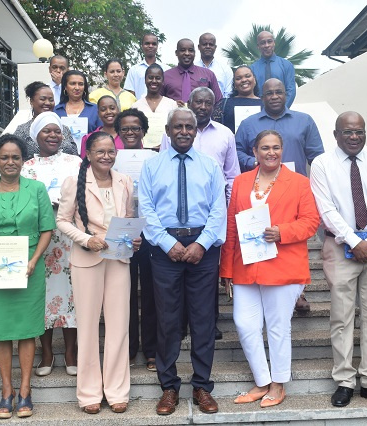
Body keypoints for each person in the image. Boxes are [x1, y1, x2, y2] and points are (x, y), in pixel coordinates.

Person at [220, 130, 319, 408]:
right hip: (245, 266)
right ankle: (262, 380)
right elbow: (230, 226)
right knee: (245, 323)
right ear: (255, 151)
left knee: (277, 326)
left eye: (276, 147)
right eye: (265, 148)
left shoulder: (299, 183)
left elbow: (311, 221)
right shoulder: (240, 182)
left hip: (282, 265)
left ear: (282, 150)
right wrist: (226, 268)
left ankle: (278, 383)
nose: (271, 152)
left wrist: (282, 232)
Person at [138, 108, 226, 416]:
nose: (185, 131)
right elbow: (146, 209)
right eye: (179, 126)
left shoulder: (211, 166)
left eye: (190, 126)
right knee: (167, 319)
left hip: (203, 248)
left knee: (203, 320)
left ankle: (202, 385)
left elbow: (219, 209)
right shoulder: (151, 167)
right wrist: (167, 243)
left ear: (195, 131)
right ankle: (169, 387)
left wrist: (201, 244)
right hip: (165, 250)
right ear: (168, 129)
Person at [309, 111, 367, 408]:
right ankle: (345, 381)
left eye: (359, 131)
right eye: (348, 132)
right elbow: (327, 209)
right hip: (340, 247)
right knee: (342, 317)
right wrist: (354, 241)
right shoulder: (322, 164)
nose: (354, 137)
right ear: (336, 135)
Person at [0, 134, 55, 419]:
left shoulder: (37, 189)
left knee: (27, 329)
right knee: (1, 331)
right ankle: (7, 392)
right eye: (4, 157)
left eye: (15, 157)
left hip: (29, 268)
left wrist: (33, 260)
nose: (10, 162)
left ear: (24, 160)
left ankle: (26, 390)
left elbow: (47, 229)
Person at [56, 131, 142, 414]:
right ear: (89, 154)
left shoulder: (125, 181)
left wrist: (134, 238)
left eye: (111, 151)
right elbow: (63, 221)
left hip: (118, 259)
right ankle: (89, 392)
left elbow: (128, 218)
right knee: (88, 328)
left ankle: (117, 391)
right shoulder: (74, 182)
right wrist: (85, 239)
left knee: (119, 327)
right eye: (100, 152)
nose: (107, 156)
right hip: (86, 260)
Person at [236, 78, 323, 312]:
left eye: (279, 92)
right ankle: (263, 289)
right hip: (262, 187)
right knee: (263, 237)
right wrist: (254, 161)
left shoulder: (304, 121)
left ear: (286, 94)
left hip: (293, 190)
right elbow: (237, 151)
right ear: (261, 97)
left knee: (291, 239)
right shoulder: (248, 123)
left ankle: (297, 292)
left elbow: (317, 156)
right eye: (269, 93)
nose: (274, 96)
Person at [160, 87, 240, 341]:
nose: (203, 106)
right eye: (198, 101)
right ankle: (181, 324)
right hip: (175, 220)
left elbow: (231, 175)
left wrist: (226, 213)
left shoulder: (225, 134)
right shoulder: (175, 132)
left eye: (208, 102)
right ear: (190, 102)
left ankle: (208, 323)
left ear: (213, 105)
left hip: (210, 217)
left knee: (207, 280)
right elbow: (165, 169)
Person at [21, 112, 81, 378]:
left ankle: (70, 352)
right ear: (36, 136)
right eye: (47, 131)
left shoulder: (76, 162)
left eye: (57, 131)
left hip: (71, 239)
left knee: (72, 296)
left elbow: (86, 194)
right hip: (40, 242)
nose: (53, 135)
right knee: (41, 297)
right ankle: (46, 353)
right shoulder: (26, 167)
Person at [112, 109, 159, 371]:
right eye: (125, 129)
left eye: (136, 128)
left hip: (151, 232)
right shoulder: (111, 158)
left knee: (152, 292)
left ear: (143, 131)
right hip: (122, 230)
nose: (131, 132)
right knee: (124, 293)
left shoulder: (154, 158)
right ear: (118, 132)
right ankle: (129, 349)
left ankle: (152, 350)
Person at [14, 81, 78, 159]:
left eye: (51, 100)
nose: (47, 103)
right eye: (42, 99)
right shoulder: (22, 131)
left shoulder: (64, 129)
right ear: (31, 101)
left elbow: (74, 154)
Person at [161, 39, 223, 106]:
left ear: (194, 53)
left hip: (202, 116)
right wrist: (172, 104)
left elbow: (219, 102)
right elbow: (158, 101)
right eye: (182, 50)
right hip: (174, 115)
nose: (187, 53)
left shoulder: (208, 74)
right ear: (176, 53)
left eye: (190, 50)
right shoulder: (165, 76)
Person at [131, 64, 178, 149]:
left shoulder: (172, 104)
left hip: (166, 151)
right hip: (142, 151)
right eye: (150, 77)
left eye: (158, 78)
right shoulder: (135, 106)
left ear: (163, 81)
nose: (154, 81)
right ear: (145, 80)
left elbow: (175, 129)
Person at [250, 31, 297, 108]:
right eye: (262, 43)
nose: (266, 45)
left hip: (282, 112)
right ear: (258, 46)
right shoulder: (252, 69)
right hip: (259, 113)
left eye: (269, 41)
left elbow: (291, 91)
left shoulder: (286, 65)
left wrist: (282, 110)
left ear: (274, 43)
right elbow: (251, 93)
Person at [217, 65, 263, 133]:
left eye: (247, 76)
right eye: (238, 78)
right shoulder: (224, 104)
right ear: (234, 84)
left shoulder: (265, 104)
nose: (244, 80)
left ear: (254, 80)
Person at [124, 34, 170, 99]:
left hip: (162, 108)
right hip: (139, 108)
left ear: (157, 46)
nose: (150, 46)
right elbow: (130, 94)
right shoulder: (134, 70)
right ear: (142, 46)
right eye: (147, 43)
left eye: (153, 44)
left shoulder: (166, 69)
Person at [196, 33, 233, 98]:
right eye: (204, 44)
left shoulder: (225, 69)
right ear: (199, 47)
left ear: (215, 47)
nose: (208, 46)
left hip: (219, 107)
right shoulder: (192, 68)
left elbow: (228, 93)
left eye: (211, 44)